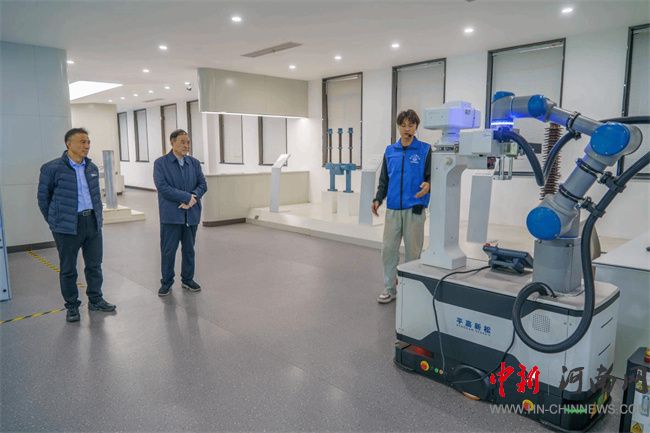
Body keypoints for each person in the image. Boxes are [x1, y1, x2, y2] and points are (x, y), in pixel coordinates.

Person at [37, 128, 116, 322]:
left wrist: (98, 218)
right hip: (67, 227)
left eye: (88, 142)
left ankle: (96, 300)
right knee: (68, 269)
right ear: (68, 143)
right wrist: (55, 221)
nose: (86, 146)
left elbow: (95, 197)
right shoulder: (52, 168)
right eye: (82, 142)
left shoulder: (91, 167)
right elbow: (43, 199)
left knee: (94, 266)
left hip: (92, 223)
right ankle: (72, 306)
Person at [372, 109, 432, 304]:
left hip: (414, 209)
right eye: (403, 125)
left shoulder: (425, 150)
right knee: (388, 250)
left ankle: (410, 290)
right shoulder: (390, 151)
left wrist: (429, 184)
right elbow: (384, 179)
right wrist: (378, 199)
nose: (407, 129)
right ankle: (390, 288)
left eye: (411, 125)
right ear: (398, 127)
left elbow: (431, 176)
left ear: (416, 127)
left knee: (413, 253)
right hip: (393, 210)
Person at [153, 129, 207, 297]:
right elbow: (162, 187)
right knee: (168, 251)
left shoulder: (194, 163)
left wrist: (193, 197)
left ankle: (188, 280)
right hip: (171, 215)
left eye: (188, 142)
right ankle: (166, 282)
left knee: (189, 250)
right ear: (172, 142)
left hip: (191, 214)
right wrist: (186, 197)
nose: (186, 145)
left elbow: (203, 184)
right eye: (182, 142)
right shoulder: (161, 163)